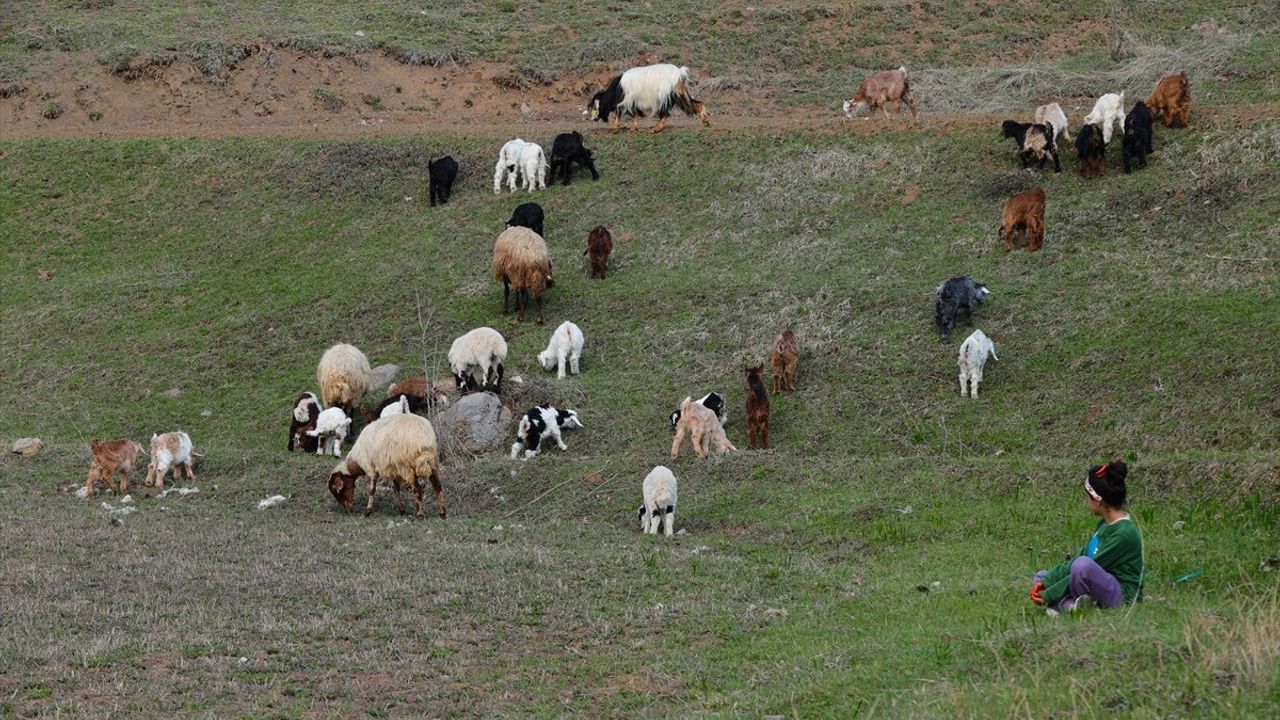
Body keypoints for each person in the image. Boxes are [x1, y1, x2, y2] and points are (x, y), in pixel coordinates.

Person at [1030, 460, 1143, 615]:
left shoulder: (1124, 534)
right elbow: (1081, 555)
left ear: (1097, 500)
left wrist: (1048, 594)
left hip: (1120, 595)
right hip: (1088, 582)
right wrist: (1046, 582)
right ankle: (1072, 605)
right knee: (1041, 575)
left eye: (1087, 497)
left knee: (1082, 566)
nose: (1086, 502)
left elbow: (1092, 565)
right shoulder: (1104, 524)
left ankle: (1067, 605)